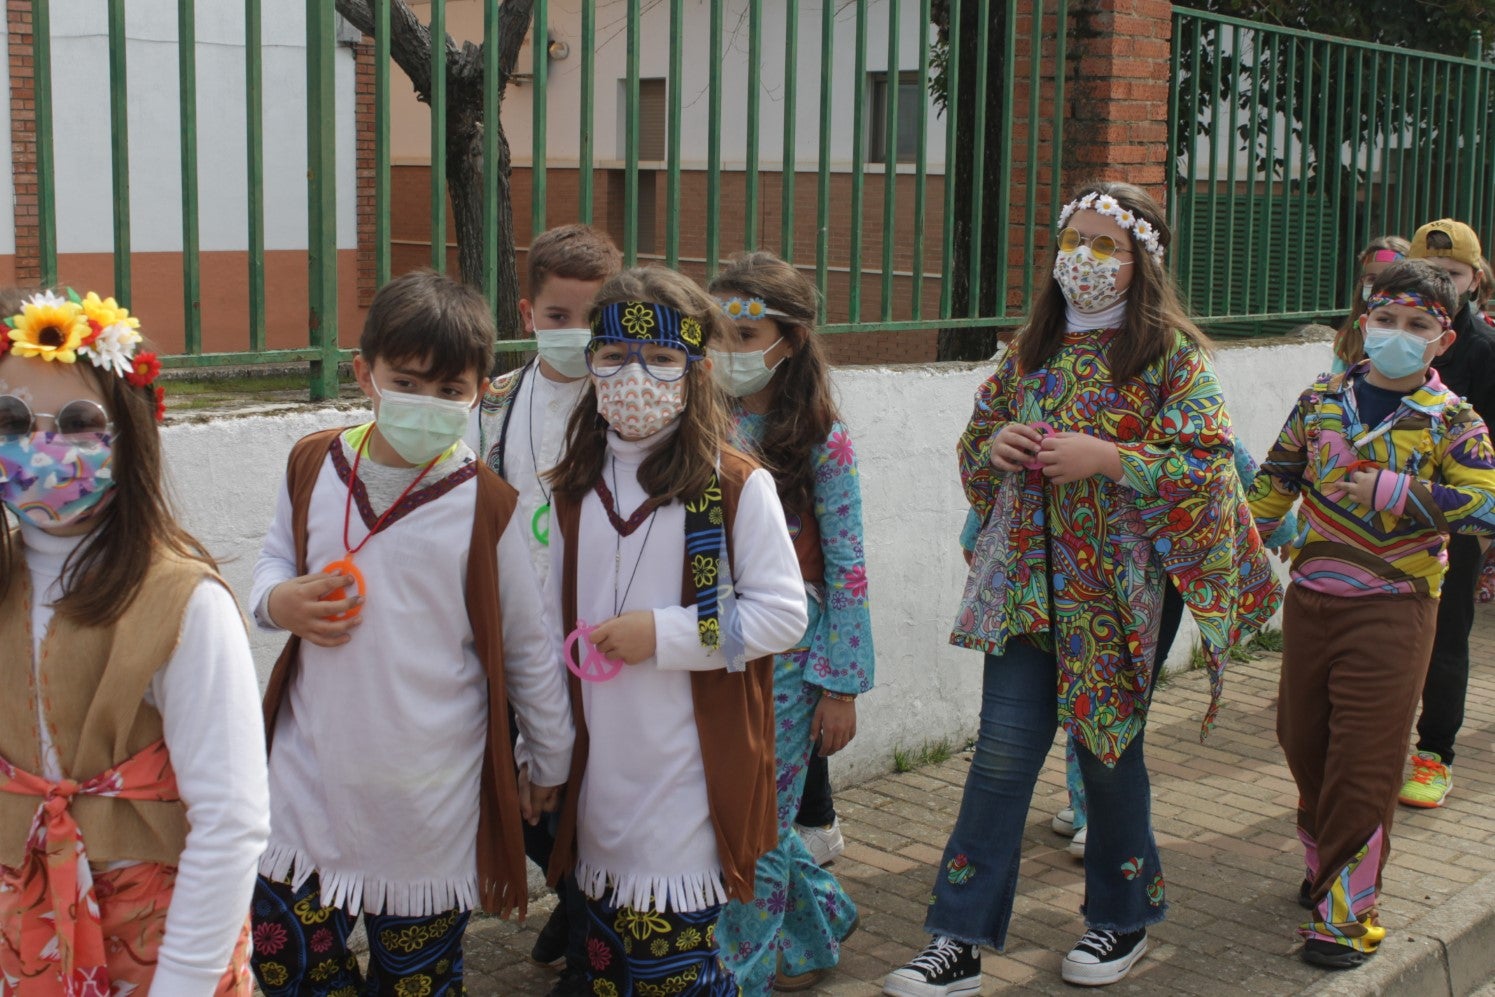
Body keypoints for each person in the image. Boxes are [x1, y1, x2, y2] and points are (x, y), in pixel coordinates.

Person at [884, 181, 1281, 995]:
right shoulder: (1029, 348)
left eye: (1106, 245)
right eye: (1074, 240)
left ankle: (1119, 917)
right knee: (1000, 756)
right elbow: (975, 443)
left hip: (1120, 596)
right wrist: (995, 444)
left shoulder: (1171, 356)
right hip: (1024, 586)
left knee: (1104, 751)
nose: (1084, 258)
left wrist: (1109, 459)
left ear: (1143, 262)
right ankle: (955, 940)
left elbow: (1207, 466)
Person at [248, 270, 574, 995]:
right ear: (364, 373)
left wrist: (548, 757)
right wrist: (276, 600)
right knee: (283, 961)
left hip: (427, 807)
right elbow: (273, 558)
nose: (427, 402)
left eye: (449, 389)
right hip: (306, 786)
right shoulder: (313, 463)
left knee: (416, 982)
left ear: (480, 390)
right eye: (407, 381)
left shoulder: (486, 505)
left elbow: (525, 646)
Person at [542, 266, 808, 996]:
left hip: (686, 781)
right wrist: (543, 749)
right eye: (615, 355)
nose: (635, 376)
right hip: (602, 781)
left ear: (696, 371)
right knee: (606, 969)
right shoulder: (573, 488)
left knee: (672, 974)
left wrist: (662, 634)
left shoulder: (734, 484)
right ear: (591, 363)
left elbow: (782, 613)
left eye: (660, 358)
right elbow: (545, 621)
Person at [0, 288, 269, 994]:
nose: (42, 445)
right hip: (23, 939)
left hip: (160, 943)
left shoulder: (183, 602)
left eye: (79, 423)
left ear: (130, 436)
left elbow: (232, 821)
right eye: (13, 420)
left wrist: (181, 982)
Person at [1248, 258, 1495, 968]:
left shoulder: (1454, 420)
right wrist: (1234, 551)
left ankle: (1347, 914)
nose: (1397, 334)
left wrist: (1393, 491)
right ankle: (1323, 859)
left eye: (1417, 324)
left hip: (1394, 607)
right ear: (1364, 323)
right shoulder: (1321, 400)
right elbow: (1274, 481)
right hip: (1310, 600)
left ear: (1443, 339)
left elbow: (1484, 506)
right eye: (1385, 319)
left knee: (1364, 759)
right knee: (1302, 740)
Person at [706, 252, 871, 993]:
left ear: (790, 339)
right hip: (714, 644)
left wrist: (840, 686)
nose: (728, 352)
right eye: (717, 335)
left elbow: (848, 567)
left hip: (795, 654)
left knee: (759, 818)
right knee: (736, 807)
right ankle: (820, 918)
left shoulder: (822, 438)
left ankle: (736, 973)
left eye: (745, 336)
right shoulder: (699, 419)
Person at [470, 222, 622, 997]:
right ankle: (572, 895)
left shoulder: (627, 398)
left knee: (588, 804)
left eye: (593, 317)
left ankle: (597, 950)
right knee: (520, 794)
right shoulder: (494, 401)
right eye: (559, 316)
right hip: (513, 632)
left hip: (598, 639)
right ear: (528, 313)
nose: (576, 332)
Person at [1399, 219, 1495, 809]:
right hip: (1380, 524)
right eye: (1430, 272)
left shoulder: (1482, 350)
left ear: (1476, 280)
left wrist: (1478, 529)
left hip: (1452, 524)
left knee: (1444, 638)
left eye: (1453, 274)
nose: (1442, 284)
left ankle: (1435, 755)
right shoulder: (1390, 336)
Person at [1332, 236, 1409, 374]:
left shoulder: (1416, 336)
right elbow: (1337, 379)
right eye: (1372, 279)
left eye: (1391, 279)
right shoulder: (1347, 338)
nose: (1379, 286)